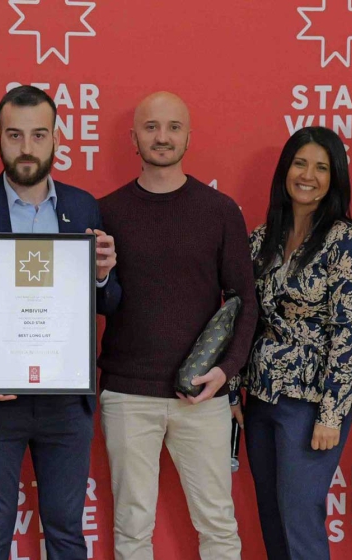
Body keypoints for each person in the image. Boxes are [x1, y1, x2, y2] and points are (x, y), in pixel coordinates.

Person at [0, 85, 120, 560]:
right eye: (15, 135)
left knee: (67, 535)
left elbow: (110, 303)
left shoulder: (84, 208)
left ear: (56, 139)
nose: (27, 148)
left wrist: (101, 276)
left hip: (65, 401)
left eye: (38, 135)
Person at [97, 91, 257, 560]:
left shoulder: (220, 211)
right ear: (134, 138)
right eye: (150, 127)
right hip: (127, 394)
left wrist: (225, 372)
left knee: (218, 526)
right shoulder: (105, 211)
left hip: (203, 395)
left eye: (172, 127)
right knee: (131, 528)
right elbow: (97, 301)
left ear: (188, 135)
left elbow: (245, 301)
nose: (161, 137)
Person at [232, 126, 352, 560]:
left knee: (301, 519)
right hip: (260, 399)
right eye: (299, 163)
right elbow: (246, 319)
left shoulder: (347, 241)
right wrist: (233, 388)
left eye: (321, 166)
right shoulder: (261, 239)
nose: (307, 175)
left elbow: (347, 334)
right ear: (285, 170)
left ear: (335, 178)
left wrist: (331, 413)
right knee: (272, 518)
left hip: (310, 405)